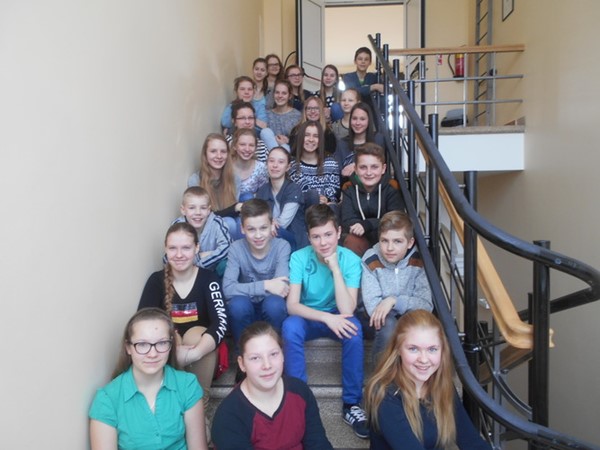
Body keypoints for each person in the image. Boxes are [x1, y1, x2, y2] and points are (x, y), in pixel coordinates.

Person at [282, 204, 368, 439]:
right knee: (289, 327)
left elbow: (347, 309)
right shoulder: (299, 257)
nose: (323, 242)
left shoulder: (350, 259)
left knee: (354, 329)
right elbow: (292, 305)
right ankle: (299, 400)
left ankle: (351, 404)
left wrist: (336, 269)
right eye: (316, 236)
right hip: (309, 315)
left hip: (338, 312)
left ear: (339, 232)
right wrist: (326, 318)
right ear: (308, 237)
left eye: (328, 234)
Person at [364, 310, 492, 450]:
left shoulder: (441, 385)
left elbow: (471, 441)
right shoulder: (385, 394)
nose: (424, 359)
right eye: (413, 349)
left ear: (442, 350)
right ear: (398, 349)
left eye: (432, 349)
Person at [89, 308, 208, 450]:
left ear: (171, 345)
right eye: (142, 344)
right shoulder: (107, 399)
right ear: (128, 348)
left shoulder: (187, 385)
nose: (152, 354)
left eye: (162, 343)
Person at [138, 222, 228, 404]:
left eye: (186, 248)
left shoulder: (209, 279)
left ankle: (200, 405)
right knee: (170, 334)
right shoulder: (156, 281)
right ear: (166, 249)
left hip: (202, 350)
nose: (179, 255)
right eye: (173, 248)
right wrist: (173, 348)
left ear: (197, 248)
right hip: (167, 349)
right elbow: (143, 322)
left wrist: (193, 354)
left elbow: (221, 322)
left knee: (195, 335)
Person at [211, 322, 333, 449]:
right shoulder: (229, 416)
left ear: (283, 355)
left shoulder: (300, 391)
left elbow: (318, 443)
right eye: (255, 358)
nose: (267, 365)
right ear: (242, 364)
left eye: (273, 354)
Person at [362, 211, 432, 362]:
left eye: (397, 241)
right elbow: (373, 307)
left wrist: (394, 301)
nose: (390, 248)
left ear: (410, 242)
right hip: (379, 320)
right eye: (384, 241)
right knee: (389, 326)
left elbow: (426, 304)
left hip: (410, 315)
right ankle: (381, 376)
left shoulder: (419, 260)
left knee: (421, 327)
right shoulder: (371, 258)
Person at [222, 199, 290, 350]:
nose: (258, 235)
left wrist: (245, 288)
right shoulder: (236, 248)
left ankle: (275, 352)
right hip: (246, 309)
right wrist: (267, 285)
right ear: (242, 229)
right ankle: (242, 356)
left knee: (275, 304)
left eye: (263, 228)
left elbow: (282, 288)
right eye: (251, 229)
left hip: (270, 308)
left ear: (272, 225)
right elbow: (227, 289)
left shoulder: (282, 246)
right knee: (238, 305)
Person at [341, 143, 405, 256]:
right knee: (352, 241)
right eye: (363, 167)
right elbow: (347, 220)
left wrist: (368, 224)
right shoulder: (348, 188)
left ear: (383, 169)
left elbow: (396, 218)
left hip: (387, 238)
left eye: (374, 167)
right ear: (355, 169)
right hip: (361, 237)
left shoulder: (392, 187)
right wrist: (361, 227)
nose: (369, 173)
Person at [188, 133, 241, 238]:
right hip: (206, 229)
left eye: (223, 151)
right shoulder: (195, 180)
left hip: (230, 223)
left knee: (241, 221)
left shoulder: (235, 179)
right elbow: (203, 217)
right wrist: (234, 208)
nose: (219, 156)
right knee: (229, 222)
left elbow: (234, 211)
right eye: (213, 151)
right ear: (205, 154)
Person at [256, 146, 307, 250]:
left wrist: (268, 224)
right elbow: (257, 218)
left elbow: (283, 223)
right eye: (271, 161)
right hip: (269, 236)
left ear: (287, 167)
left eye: (281, 162)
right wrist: (268, 224)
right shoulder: (262, 190)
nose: (275, 165)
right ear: (266, 164)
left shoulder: (293, 189)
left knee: (272, 231)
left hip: (292, 240)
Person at [173, 186, 231, 275]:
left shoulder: (217, 223)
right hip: (188, 272)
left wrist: (200, 264)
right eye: (192, 208)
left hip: (213, 269)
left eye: (203, 208)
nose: (198, 212)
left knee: (226, 264)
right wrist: (199, 257)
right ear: (183, 210)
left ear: (208, 210)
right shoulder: (177, 226)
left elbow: (227, 248)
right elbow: (168, 257)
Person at [288, 120, 341, 206]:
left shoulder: (331, 164)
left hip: (326, 208)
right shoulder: (292, 165)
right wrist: (315, 198)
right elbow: (294, 196)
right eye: (307, 135)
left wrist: (326, 199)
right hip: (302, 209)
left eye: (316, 136)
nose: (311, 139)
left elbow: (334, 194)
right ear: (300, 138)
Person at [336, 102, 385, 179]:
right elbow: (339, 172)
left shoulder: (378, 139)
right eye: (354, 118)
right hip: (348, 184)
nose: (357, 123)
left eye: (362, 119)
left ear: (369, 121)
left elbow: (380, 166)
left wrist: (355, 166)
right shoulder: (342, 144)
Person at [230, 128, 268, 202]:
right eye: (242, 144)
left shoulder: (260, 168)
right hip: (228, 204)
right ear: (234, 146)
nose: (247, 149)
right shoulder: (227, 166)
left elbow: (263, 194)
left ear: (256, 148)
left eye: (251, 145)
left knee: (248, 197)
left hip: (250, 206)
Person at [266, 79, 302, 149]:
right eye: (277, 92)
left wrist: (288, 141)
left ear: (290, 96)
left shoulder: (297, 116)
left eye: (284, 93)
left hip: (290, 151)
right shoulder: (267, 114)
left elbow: (300, 141)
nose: (280, 96)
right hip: (270, 152)